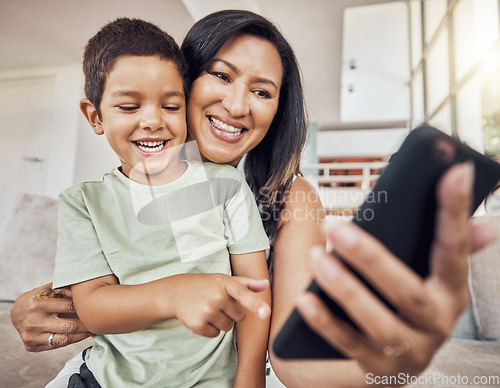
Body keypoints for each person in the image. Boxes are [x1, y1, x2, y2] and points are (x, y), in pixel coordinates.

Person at [10, 10, 496, 387]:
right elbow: (98, 290)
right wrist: (29, 308)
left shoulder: (288, 197)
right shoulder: (112, 187)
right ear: (184, 78)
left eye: (262, 91)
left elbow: (292, 359)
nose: (238, 105)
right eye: (221, 76)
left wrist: (397, 358)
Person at [51, 17, 271, 387]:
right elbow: (93, 309)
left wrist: (249, 377)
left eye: (170, 106)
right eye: (129, 107)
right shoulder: (83, 202)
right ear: (95, 116)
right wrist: (174, 294)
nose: (152, 120)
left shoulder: (227, 186)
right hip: (107, 379)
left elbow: (254, 296)